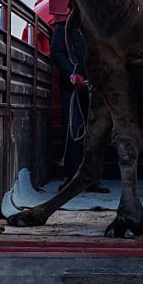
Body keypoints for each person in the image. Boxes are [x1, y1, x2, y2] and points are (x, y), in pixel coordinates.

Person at [51, 15, 109, 194]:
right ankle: (71, 178)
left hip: (97, 88)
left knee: (96, 134)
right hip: (73, 90)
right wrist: (72, 74)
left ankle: (92, 179)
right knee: (73, 132)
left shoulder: (101, 24)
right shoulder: (63, 27)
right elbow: (56, 52)